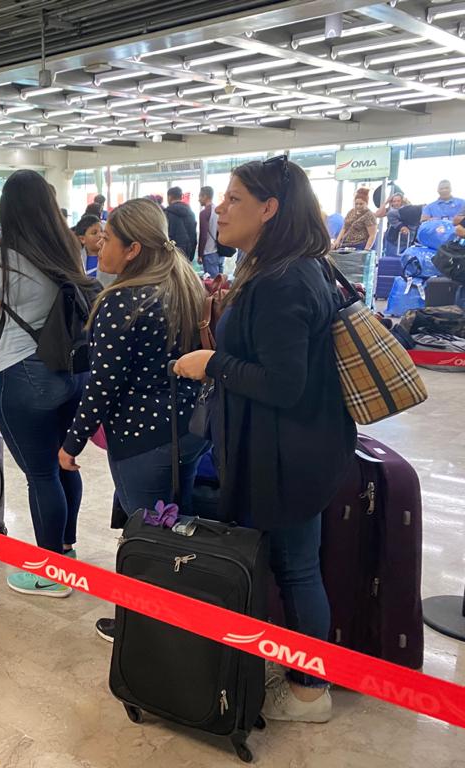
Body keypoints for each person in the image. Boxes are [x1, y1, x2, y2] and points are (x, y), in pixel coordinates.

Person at [174, 156, 356, 724]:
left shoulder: (283, 281)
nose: (220, 210)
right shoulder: (284, 269)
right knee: (291, 562)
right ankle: (298, 666)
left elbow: (284, 383)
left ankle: (309, 692)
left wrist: (211, 364)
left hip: (291, 454)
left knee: (297, 567)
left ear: (269, 208)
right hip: (288, 447)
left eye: (234, 199)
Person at [59, 197, 207, 635]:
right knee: (176, 528)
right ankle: (182, 623)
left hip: (142, 438)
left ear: (133, 250)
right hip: (189, 428)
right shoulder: (183, 284)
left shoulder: (122, 300)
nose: (99, 247)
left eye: (107, 240)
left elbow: (103, 384)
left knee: (145, 536)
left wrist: (71, 443)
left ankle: (146, 633)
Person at [0, 170, 99, 598]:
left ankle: (51, 572)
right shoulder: (67, 252)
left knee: (41, 474)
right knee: (65, 463)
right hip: (72, 373)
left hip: (24, 375)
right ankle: (66, 551)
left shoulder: (3, 261)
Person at [164, 186, 197, 260]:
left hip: (173, 253)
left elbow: (166, 235)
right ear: (181, 197)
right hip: (188, 251)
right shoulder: (191, 213)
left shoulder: (167, 213)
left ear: (169, 197)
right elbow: (193, 235)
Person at [197, 186, 223, 278]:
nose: (198, 199)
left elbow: (203, 235)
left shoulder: (204, 213)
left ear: (205, 196)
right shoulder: (219, 210)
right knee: (220, 281)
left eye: (200, 196)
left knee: (211, 282)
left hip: (209, 252)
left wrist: (200, 254)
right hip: (220, 252)